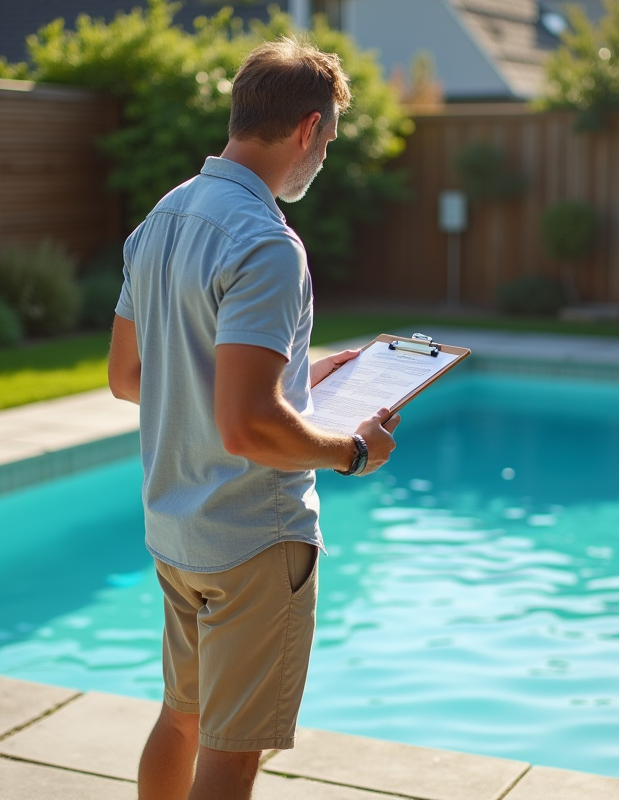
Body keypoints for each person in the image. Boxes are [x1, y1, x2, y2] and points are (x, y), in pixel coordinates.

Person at [106, 37, 401, 800]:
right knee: (232, 754)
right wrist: (352, 450)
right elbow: (247, 428)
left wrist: (296, 378)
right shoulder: (268, 244)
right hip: (252, 538)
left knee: (181, 720)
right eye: (330, 139)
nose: (324, 154)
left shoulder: (163, 220)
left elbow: (130, 376)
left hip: (178, 531)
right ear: (308, 128)